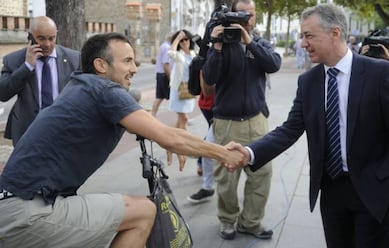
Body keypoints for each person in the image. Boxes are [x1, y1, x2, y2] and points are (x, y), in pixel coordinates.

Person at [0, 32, 245, 248]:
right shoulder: (105, 91)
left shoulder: (80, 85)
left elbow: (152, 126)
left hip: (13, 204)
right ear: (101, 65)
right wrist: (224, 153)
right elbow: (169, 136)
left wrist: (162, 136)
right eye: (127, 60)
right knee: (143, 212)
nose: (135, 67)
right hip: (28, 213)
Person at [227, 4, 389, 248]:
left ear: (335, 33)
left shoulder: (379, 73)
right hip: (332, 192)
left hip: (375, 191)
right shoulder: (308, 82)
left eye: (309, 35)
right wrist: (249, 152)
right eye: (302, 36)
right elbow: (290, 129)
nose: (303, 43)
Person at [202, 0, 282, 240]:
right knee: (227, 177)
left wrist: (248, 41)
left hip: (257, 119)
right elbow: (209, 77)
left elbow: (273, 64)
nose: (247, 17)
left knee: (262, 174)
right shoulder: (221, 43)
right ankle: (227, 220)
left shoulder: (259, 43)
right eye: (242, 13)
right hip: (227, 121)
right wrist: (216, 45)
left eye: (251, 13)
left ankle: (250, 222)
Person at [0, 16, 80, 146]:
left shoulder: (74, 59)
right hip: (28, 131)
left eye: (51, 38)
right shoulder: (14, 60)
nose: (47, 44)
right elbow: (3, 94)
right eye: (41, 38)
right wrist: (27, 67)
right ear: (30, 37)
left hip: (63, 129)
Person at [166, 29, 197, 167]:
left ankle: (168, 141)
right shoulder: (178, 55)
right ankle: (184, 148)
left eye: (186, 39)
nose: (185, 42)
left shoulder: (193, 54)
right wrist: (177, 39)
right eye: (182, 40)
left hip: (189, 91)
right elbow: (170, 53)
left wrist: (187, 49)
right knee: (184, 118)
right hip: (178, 91)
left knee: (180, 121)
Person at [188, 72, 215, 203]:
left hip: (212, 105)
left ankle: (201, 165)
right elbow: (207, 89)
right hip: (212, 105)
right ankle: (207, 185)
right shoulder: (210, 55)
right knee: (210, 143)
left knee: (211, 142)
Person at [151, 32, 172, 117]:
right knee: (176, 96)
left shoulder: (163, 45)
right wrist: (170, 77)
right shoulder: (167, 48)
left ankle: (152, 115)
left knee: (160, 96)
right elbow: (165, 64)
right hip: (164, 74)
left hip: (160, 74)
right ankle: (182, 117)